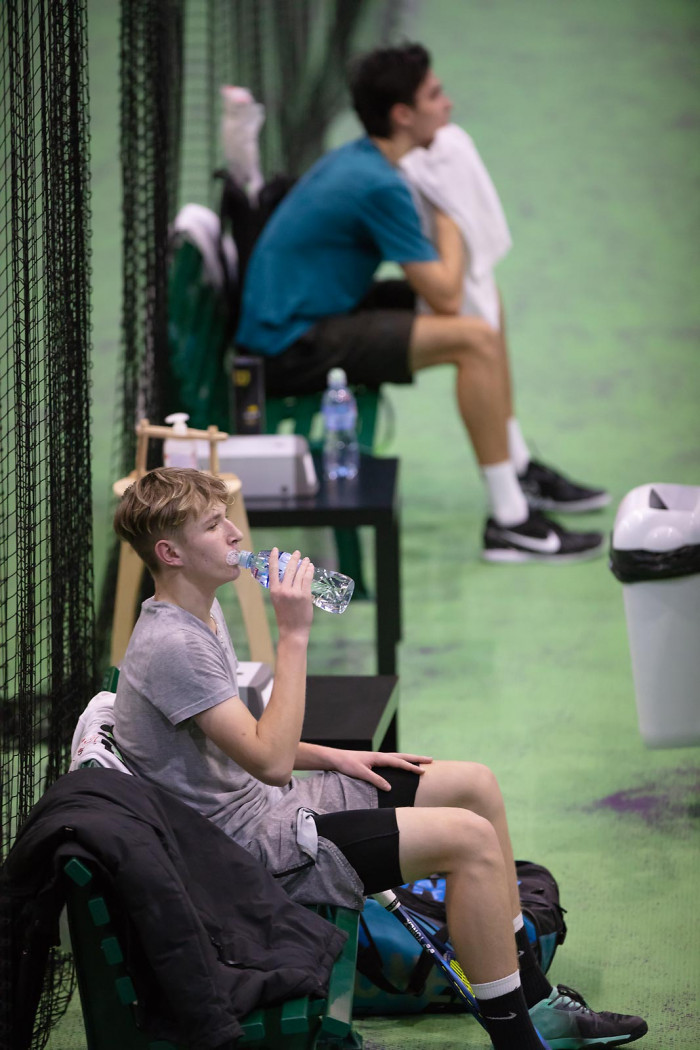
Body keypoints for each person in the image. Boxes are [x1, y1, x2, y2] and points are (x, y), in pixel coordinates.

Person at [112, 467, 647, 1050]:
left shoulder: (200, 613)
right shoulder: (173, 644)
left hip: (271, 803)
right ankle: (520, 1039)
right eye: (214, 526)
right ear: (171, 553)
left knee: (476, 787)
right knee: (469, 841)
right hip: (250, 847)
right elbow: (270, 761)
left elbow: (244, 740)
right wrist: (294, 635)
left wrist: (336, 757)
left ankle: (539, 1003)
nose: (235, 534)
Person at [235, 43, 609, 565]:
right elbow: (445, 295)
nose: (448, 104)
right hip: (289, 343)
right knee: (474, 338)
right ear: (403, 115)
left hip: (320, 309)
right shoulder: (379, 184)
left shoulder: (367, 160)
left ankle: (518, 466)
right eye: (434, 95)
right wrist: (451, 208)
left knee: (485, 297)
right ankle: (510, 523)